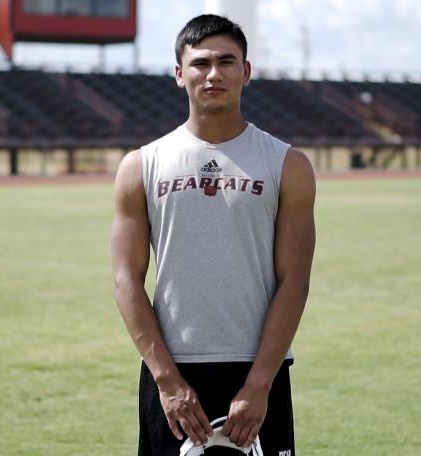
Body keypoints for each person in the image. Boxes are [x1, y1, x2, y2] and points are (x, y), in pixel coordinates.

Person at [111, 14, 315, 456]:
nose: (214, 74)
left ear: (246, 71)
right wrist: (168, 381)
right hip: (172, 371)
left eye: (226, 62)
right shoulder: (141, 166)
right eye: (201, 63)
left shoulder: (288, 165)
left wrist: (259, 384)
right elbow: (126, 279)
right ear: (179, 73)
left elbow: (295, 279)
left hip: (258, 370)